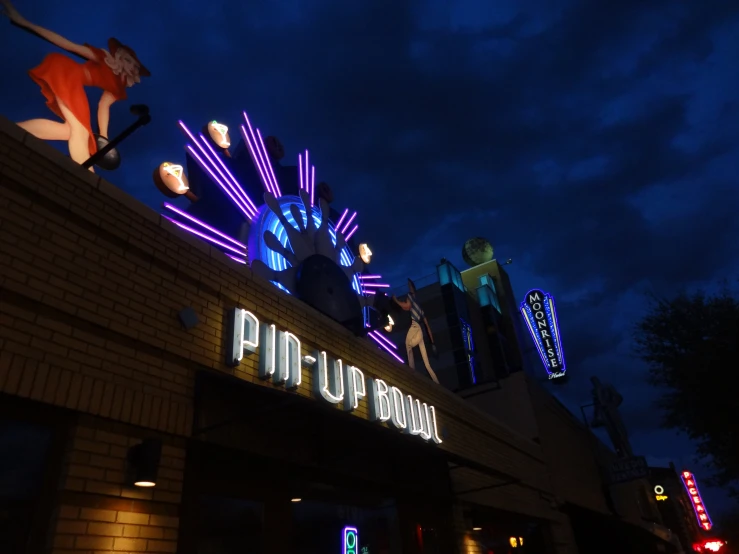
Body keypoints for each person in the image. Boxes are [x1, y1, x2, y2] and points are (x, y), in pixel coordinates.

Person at [1, 0, 150, 171]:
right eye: (130, 61)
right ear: (121, 57)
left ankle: (11, 131)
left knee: (69, 131)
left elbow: (103, 107)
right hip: (66, 72)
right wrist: (24, 22)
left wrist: (104, 138)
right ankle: (87, 180)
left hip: (73, 84)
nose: (132, 67)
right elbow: (68, 45)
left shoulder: (118, 88)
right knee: (81, 132)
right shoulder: (103, 58)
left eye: (135, 67)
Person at [392, 279, 440, 384]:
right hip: (421, 332)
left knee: (408, 345)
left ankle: (412, 372)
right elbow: (427, 327)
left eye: (409, 285)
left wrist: (395, 300)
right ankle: (436, 382)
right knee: (427, 363)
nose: (408, 287)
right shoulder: (421, 308)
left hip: (415, 326)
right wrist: (433, 343)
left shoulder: (410, 296)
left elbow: (406, 306)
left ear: (412, 288)